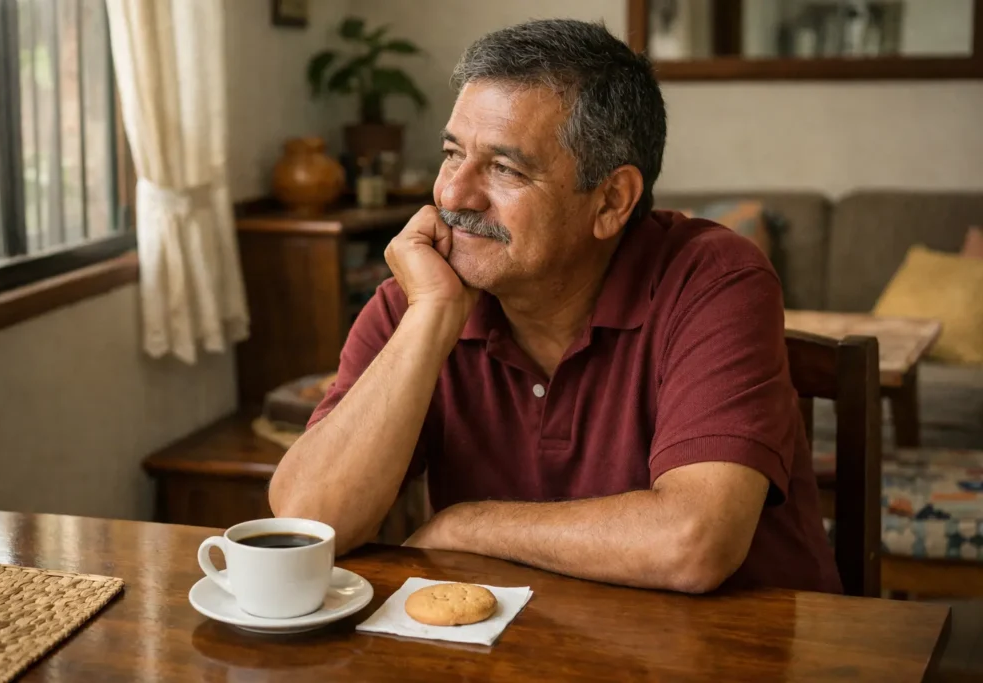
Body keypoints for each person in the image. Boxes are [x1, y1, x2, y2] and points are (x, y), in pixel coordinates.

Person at [269, 19, 841, 594]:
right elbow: (309, 524)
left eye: (504, 169)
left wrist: (465, 526)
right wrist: (430, 318)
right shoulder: (421, 296)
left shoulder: (714, 278)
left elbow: (694, 542)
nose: (453, 195)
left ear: (611, 201)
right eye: (452, 154)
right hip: (525, 638)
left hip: (741, 639)